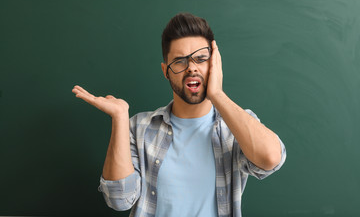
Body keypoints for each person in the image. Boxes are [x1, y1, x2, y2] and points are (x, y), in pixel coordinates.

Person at [72, 12, 286, 217]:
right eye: (180, 61)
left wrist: (217, 95)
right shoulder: (139, 127)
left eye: (201, 59)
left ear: (214, 64)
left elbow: (270, 159)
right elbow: (119, 200)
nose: (192, 68)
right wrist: (120, 118)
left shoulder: (236, 125)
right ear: (165, 71)